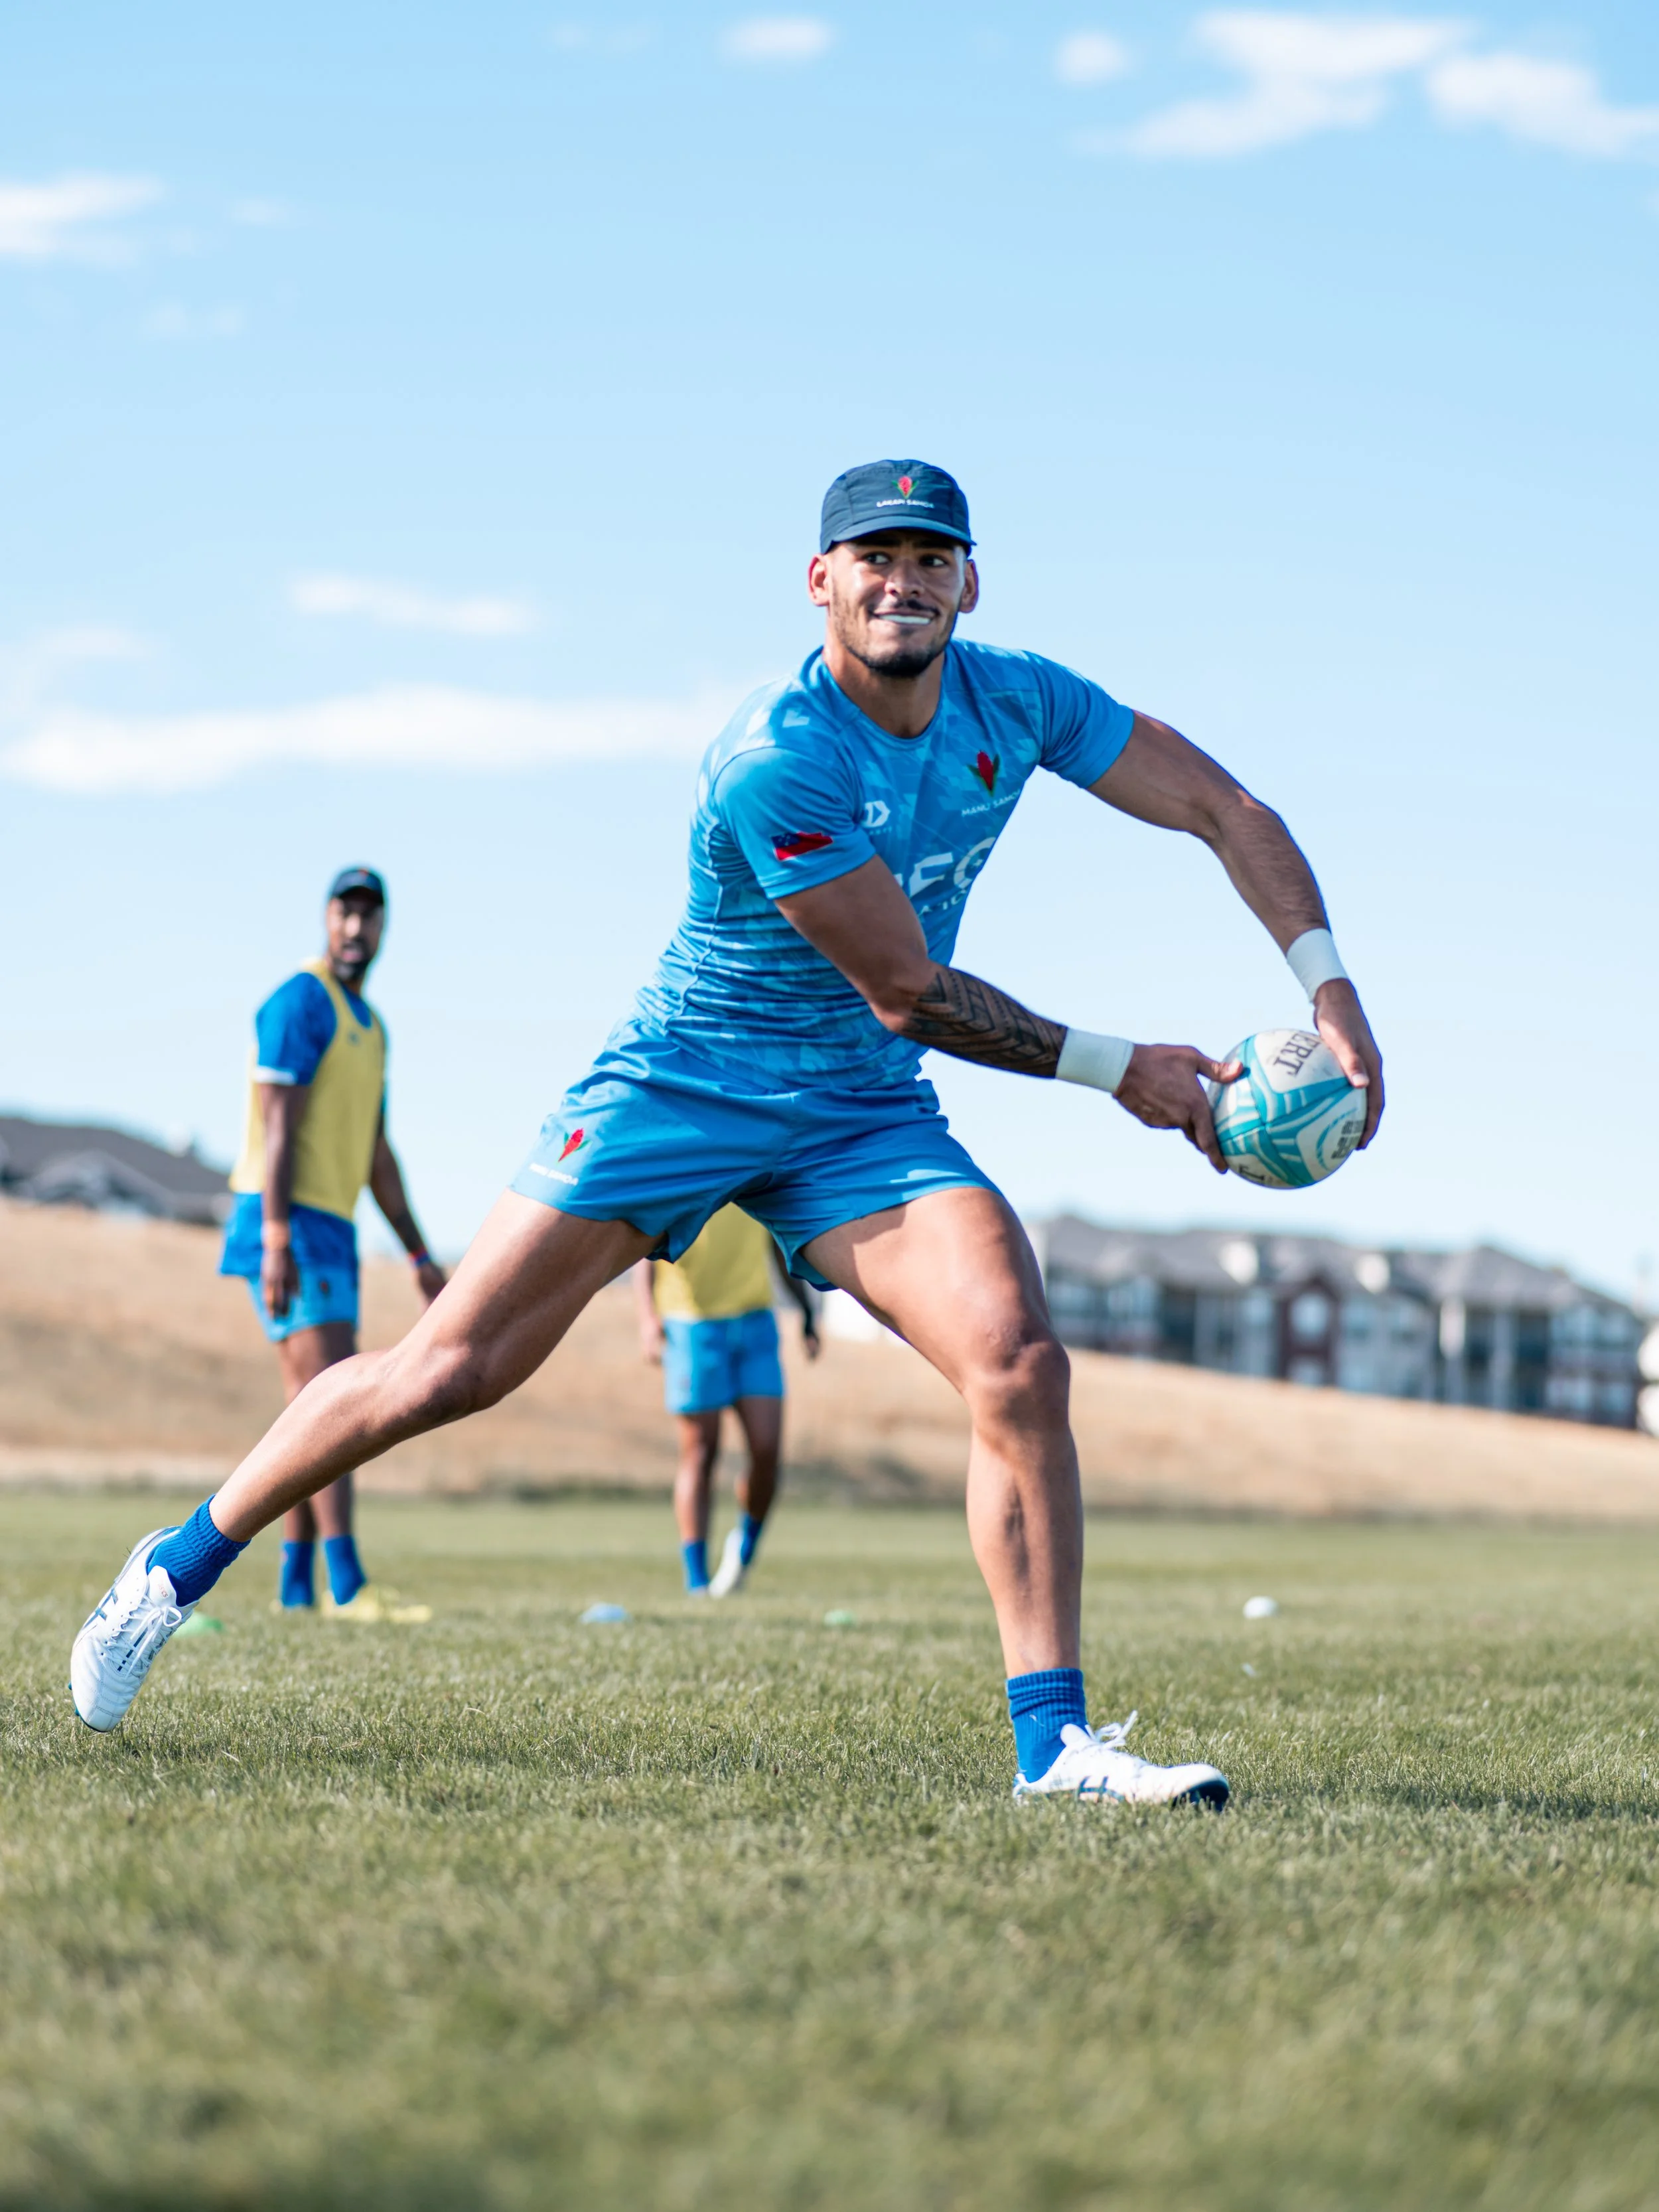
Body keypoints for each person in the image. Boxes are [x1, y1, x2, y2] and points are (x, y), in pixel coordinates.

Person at [72, 459, 1383, 1807]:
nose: (904, 580)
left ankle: (1052, 1747)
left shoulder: (1018, 697)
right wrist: (1129, 1071)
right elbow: (908, 987)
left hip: (859, 1109)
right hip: (682, 1084)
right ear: (820, 581)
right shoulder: (777, 754)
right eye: (873, 556)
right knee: (444, 1370)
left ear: (969, 583)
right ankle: (165, 1573)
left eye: (932, 558)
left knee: (1016, 1362)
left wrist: (1330, 1001)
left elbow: (1228, 812)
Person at [215, 866, 446, 1617]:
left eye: (370, 917)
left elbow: (377, 1155)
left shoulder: (372, 1027)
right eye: (346, 913)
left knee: (309, 1408)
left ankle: (295, 1586)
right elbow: (278, 1125)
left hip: (335, 1228)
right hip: (285, 1222)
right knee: (335, 1407)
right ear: (326, 918)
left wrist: (417, 1253)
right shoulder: (299, 1002)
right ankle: (344, 1585)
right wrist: (277, 1235)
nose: (357, 929)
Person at [632, 1204, 820, 1596]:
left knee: (767, 1450)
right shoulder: (685, 1167)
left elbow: (777, 1246)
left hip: (755, 1324)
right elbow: (645, 1248)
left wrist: (805, 1312)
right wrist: (648, 1319)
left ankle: (743, 1551)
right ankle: (697, 1581)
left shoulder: (754, 1165)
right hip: (691, 1325)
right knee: (702, 1452)